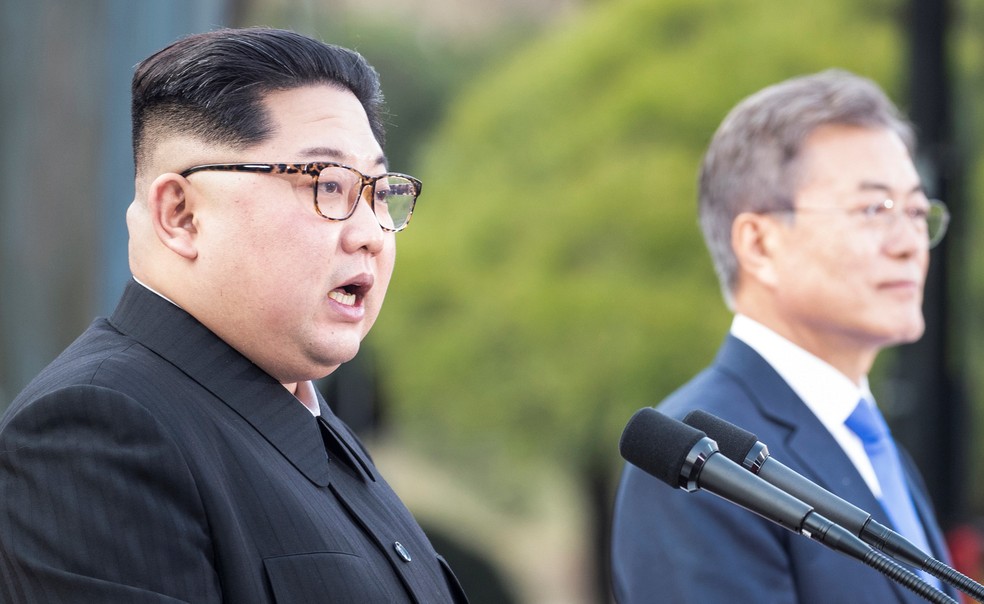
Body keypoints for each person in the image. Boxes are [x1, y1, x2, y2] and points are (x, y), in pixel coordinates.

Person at [0, 27, 468, 603]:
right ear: (181, 215)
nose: (371, 233)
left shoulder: (310, 425)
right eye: (326, 184)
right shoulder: (98, 429)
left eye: (377, 192)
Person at [611, 69, 956, 603]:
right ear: (760, 244)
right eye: (875, 209)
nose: (912, 243)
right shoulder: (699, 464)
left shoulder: (872, 443)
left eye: (916, 210)